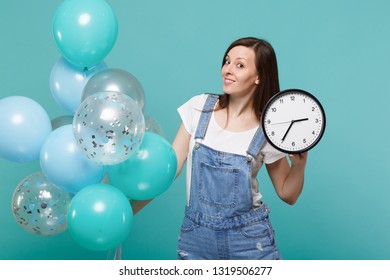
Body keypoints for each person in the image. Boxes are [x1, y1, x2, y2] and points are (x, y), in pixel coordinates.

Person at [170, 37, 308, 260]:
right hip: (196, 237)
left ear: (259, 77)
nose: (228, 70)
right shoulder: (199, 107)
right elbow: (167, 170)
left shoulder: (268, 130)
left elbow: (287, 194)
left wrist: (300, 165)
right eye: (227, 62)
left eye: (240, 65)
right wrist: (130, 208)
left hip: (250, 241)